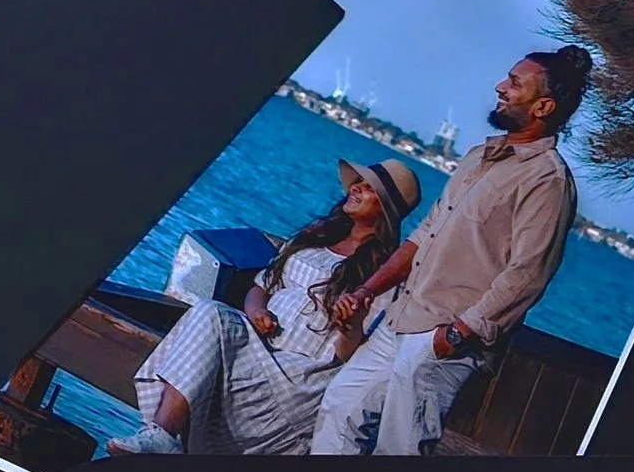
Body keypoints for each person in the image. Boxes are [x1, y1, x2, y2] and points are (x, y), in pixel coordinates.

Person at [310, 46, 591, 456]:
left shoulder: (547, 181)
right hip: (400, 319)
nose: (500, 87)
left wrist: (457, 334)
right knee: (339, 410)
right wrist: (368, 291)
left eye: (515, 83)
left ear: (543, 106)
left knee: (400, 454)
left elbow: (528, 274)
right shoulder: (479, 156)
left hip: (442, 337)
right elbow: (424, 234)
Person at [106, 157, 421, 456]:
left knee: (211, 316)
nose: (355, 188)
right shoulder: (317, 237)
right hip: (259, 344)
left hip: (301, 372)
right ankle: (163, 434)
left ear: (386, 209)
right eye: (358, 182)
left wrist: (350, 323)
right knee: (208, 311)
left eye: (368, 188)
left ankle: (163, 435)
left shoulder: (379, 276)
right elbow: (262, 286)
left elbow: (353, 353)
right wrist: (257, 311)